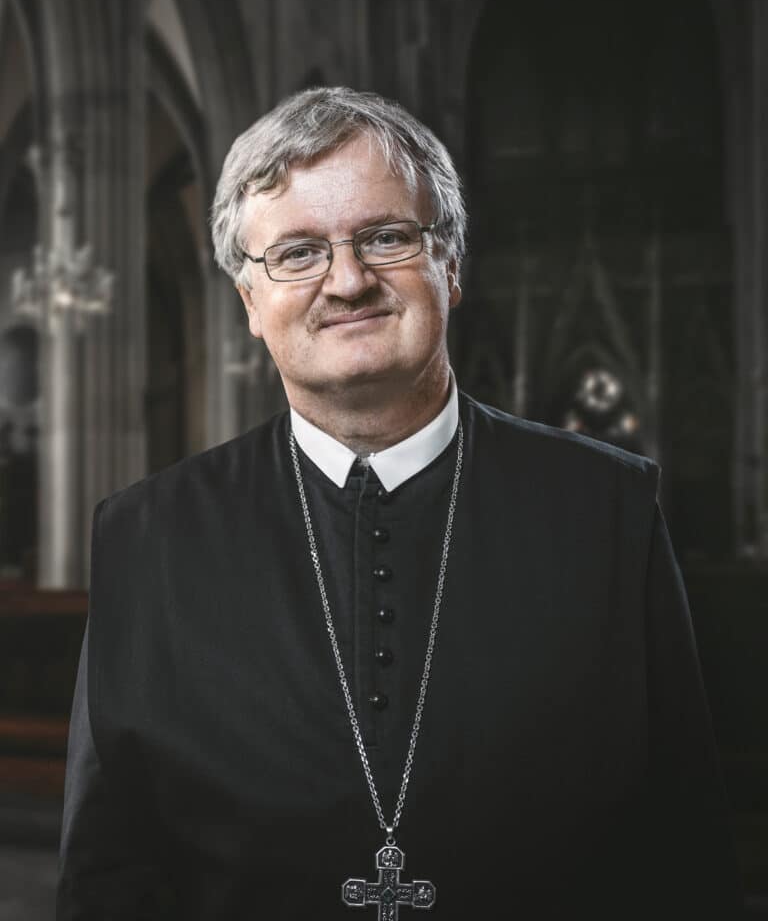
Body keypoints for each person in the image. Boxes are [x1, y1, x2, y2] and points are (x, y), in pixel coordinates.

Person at [57, 87, 742, 920]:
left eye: (385, 237)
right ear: (249, 302)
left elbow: (686, 854)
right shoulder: (144, 535)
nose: (346, 281)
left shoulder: (609, 508)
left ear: (449, 267)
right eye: (297, 253)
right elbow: (108, 875)